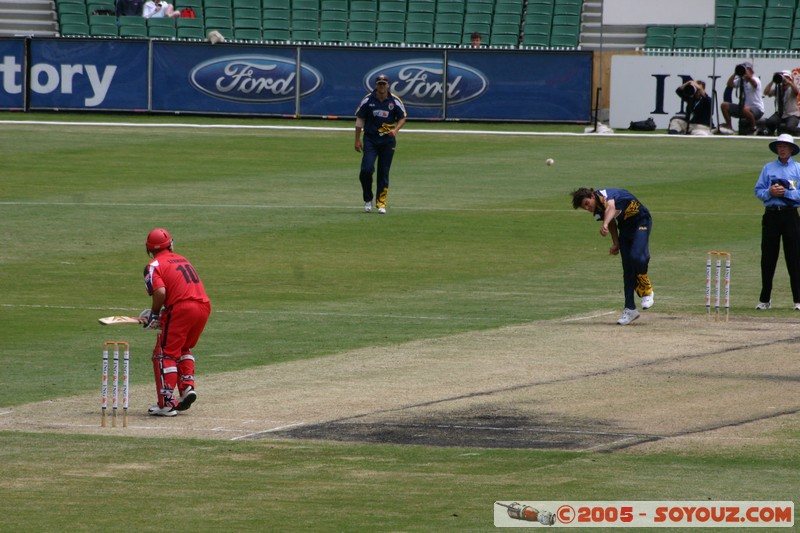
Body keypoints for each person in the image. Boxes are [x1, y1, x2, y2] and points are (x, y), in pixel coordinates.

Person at [142, 228, 211, 416]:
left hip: (182, 308)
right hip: (203, 306)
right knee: (183, 348)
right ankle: (187, 387)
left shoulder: (153, 265)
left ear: (149, 249)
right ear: (170, 244)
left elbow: (161, 292)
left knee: (165, 354)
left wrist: (155, 314)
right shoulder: (182, 259)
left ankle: (166, 404)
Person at [571, 187, 654, 325]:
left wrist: (604, 222)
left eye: (587, 203)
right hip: (625, 228)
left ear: (592, 196)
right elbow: (612, 224)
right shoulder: (597, 210)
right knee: (627, 269)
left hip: (641, 221)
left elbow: (611, 208)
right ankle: (630, 309)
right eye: (583, 207)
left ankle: (646, 290)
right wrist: (616, 243)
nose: (587, 208)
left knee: (637, 257)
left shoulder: (605, 195)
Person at [753, 134, 800, 310]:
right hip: (772, 215)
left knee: (794, 257)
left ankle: (798, 300)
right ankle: (765, 300)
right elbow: (758, 190)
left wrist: (785, 193)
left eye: (785, 146)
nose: (782, 149)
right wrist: (770, 193)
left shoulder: (797, 169)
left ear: (791, 150)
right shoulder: (768, 168)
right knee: (768, 258)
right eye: (780, 146)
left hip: (790, 216)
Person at [354, 74, 407, 214]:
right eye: (379, 83)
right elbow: (360, 119)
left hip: (387, 141)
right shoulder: (368, 100)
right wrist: (357, 140)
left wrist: (395, 130)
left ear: (388, 85)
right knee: (366, 170)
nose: (382, 86)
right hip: (371, 139)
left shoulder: (394, 101)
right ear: (376, 85)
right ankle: (368, 199)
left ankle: (381, 203)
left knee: (383, 172)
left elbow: (402, 118)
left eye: (384, 84)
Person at [720, 62, 764, 135]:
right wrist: (735, 73)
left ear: (750, 70)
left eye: (746, 69)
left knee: (745, 109)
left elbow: (755, 85)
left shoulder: (756, 79)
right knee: (724, 105)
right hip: (744, 108)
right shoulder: (741, 80)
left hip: (757, 109)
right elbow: (729, 84)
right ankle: (729, 126)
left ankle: (753, 128)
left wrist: (749, 78)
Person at [762, 70, 800, 137]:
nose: (784, 79)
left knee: (790, 127)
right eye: (783, 77)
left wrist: (789, 82)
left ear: (790, 78)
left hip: (792, 114)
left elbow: (796, 91)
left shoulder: (791, 88)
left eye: (786, 77)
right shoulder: (778, 88)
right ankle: (771, 134)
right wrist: (772, 81)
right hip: (780, 114)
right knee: (770, 122)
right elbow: (766, 92)